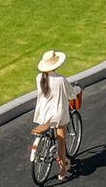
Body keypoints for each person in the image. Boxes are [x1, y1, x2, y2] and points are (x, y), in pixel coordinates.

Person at [31, 49, 81, 180]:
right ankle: (62, 171)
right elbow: (71, 94)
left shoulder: (39, 77)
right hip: (58, 115)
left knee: (51, 133)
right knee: (61, 140)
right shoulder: (60, 79)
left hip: (43, 114)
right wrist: (78, 89)